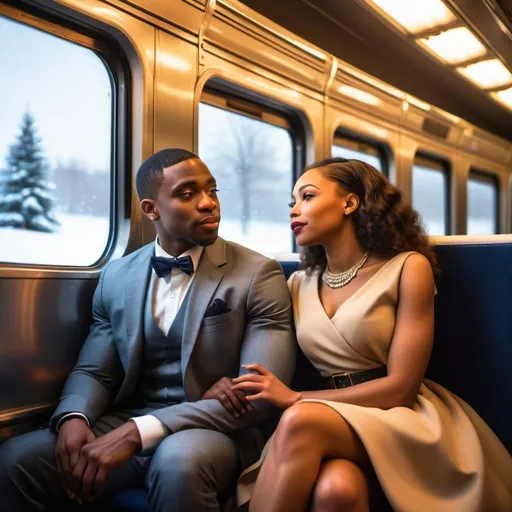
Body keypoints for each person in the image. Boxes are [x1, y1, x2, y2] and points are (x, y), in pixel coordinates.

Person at [0, 148, 296, 512]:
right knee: (16, 460)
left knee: (179, 464)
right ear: (151, 209)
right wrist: (74, 418)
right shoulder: (117, 275)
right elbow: (95, 371)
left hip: (217, 427)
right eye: (188, 194)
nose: (209, 204)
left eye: (212, 191)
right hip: (130, 416)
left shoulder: (257, 274)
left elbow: (259, 397)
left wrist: (139, 432)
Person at [234, 158, 512, 512]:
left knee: (300, 420)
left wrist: (296, 398)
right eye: (292, 202)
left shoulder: (408, 267)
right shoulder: (297, 284)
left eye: (307, 196)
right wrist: (222, 382)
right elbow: (254, 334)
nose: (294, 210)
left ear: (349, 203)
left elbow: (401, 388)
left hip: (399, 414)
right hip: (328, 420)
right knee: (336, 490)